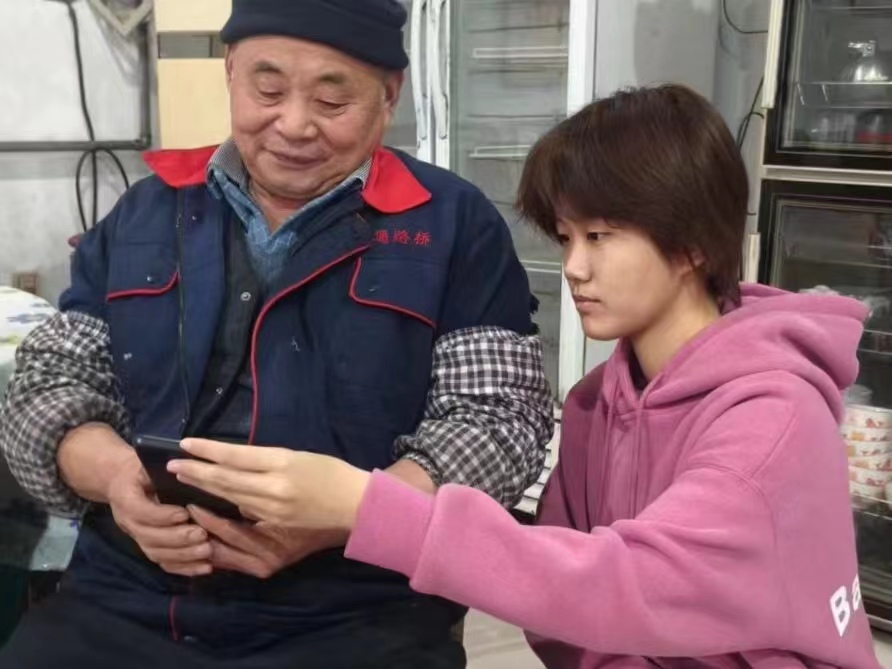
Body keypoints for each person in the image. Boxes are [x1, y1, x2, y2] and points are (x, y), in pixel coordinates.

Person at [167, 85, 884, 669]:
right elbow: (563, 609)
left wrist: (367, 505)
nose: (574, 267)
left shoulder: (772, 416)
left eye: (600, 236)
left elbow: (631, 582)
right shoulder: (597, 403)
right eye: (566, 237)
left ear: (693, 242)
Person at [0, 1, 554, 666]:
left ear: (389, 95)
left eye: (331, 100)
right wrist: (118, 477)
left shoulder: (453, 224)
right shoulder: (145, 212)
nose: (294, 124)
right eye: (268, 90)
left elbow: (500, 421)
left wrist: (355, 513)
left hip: (356, 609)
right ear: (231, 72)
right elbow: (49, 386)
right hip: (129, 597)